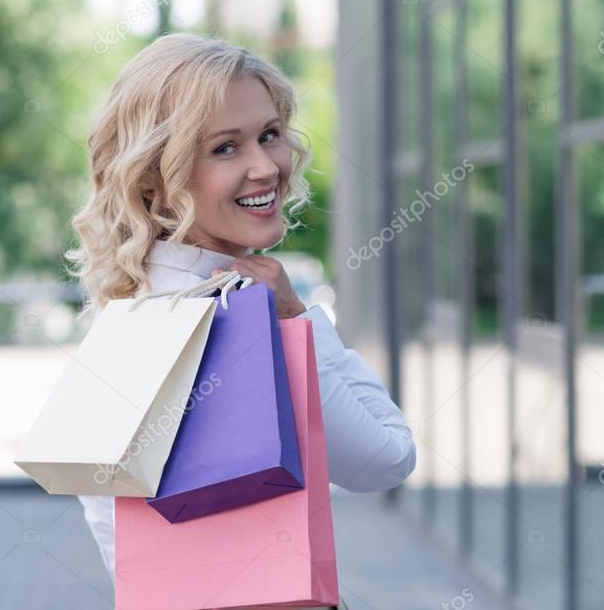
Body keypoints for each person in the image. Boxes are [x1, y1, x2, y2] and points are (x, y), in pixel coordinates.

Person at [64, 32, 416, 609]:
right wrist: (297, 319)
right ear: (155, 178)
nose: (266, 167)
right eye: (225, 148)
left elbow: (115, 538)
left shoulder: (123, 325)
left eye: (269, 135)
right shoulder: (242, 317)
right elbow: (386, 458)